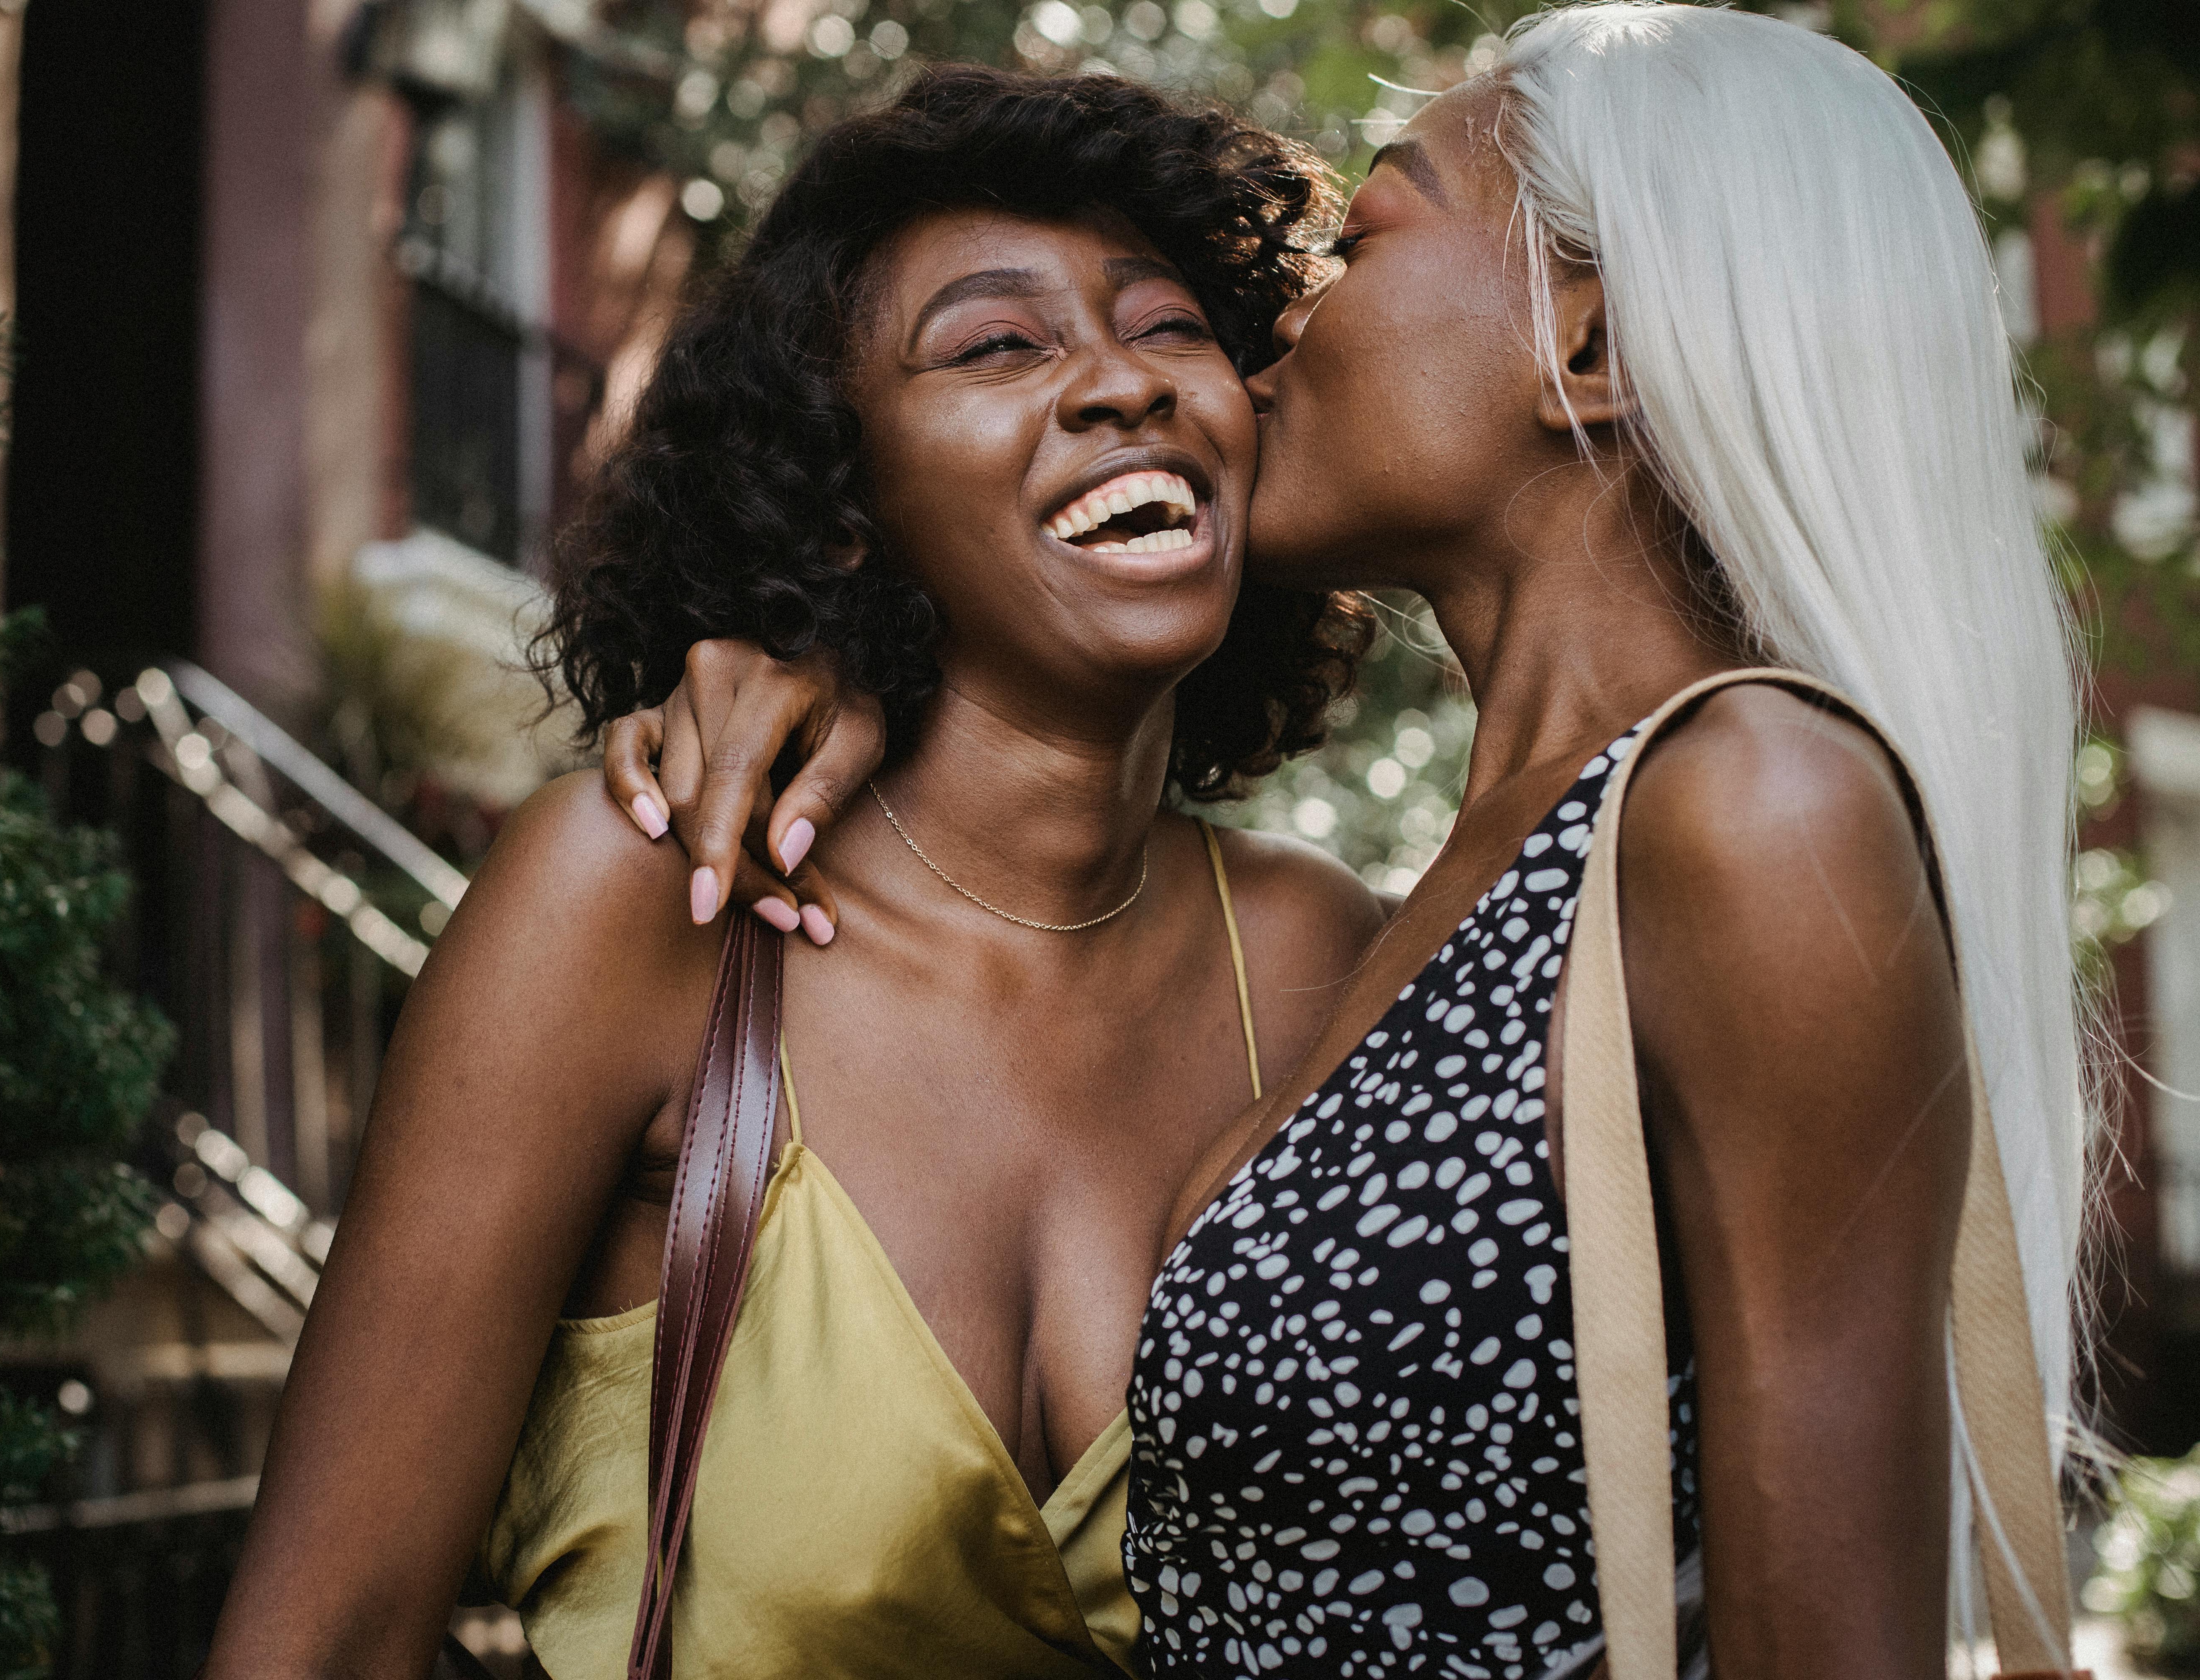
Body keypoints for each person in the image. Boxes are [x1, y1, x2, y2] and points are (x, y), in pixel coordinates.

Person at [601, 5, 2089, 1673]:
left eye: (1364, 240)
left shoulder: (1753, 808)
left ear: (1584, 350)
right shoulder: (1461, 897)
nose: (1265, 346)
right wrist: (853, 652)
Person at [202, 68, 1399, 1680]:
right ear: (843, 506)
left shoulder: (1327, 957)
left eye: (1170, 326)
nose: (1123, 383)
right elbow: (326, 1640)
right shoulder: (650, 905)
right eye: (996, 344)